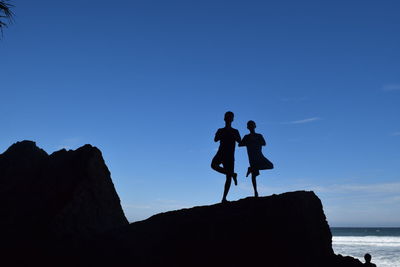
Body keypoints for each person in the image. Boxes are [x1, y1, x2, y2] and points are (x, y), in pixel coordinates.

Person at [211, 111, 241, 203]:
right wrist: (222, 134)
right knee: (213, 165)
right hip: (221, 153)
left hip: (230, 155)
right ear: (224, 118)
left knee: (228, 178)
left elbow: (240, 141)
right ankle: (232, 174)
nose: (228, 118)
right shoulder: (220, 130)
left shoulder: (235, 131)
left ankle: (224, 198)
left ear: (232, 119)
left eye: (230, 117)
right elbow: (215, 139)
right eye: (227, 116)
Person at [239, 120, 273, 197]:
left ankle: (252, 168)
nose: (251, 126)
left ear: (255, 126)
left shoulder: (259, 135)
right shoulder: (246, 137)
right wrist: (248, 142)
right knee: (254, 175)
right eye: (249, 125)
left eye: (252, 125)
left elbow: (264, 143)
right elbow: (240, 144)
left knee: (270, 166)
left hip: (259, 155)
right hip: (252, 156)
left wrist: (254, 142)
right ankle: (255, 192)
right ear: (248, 127)